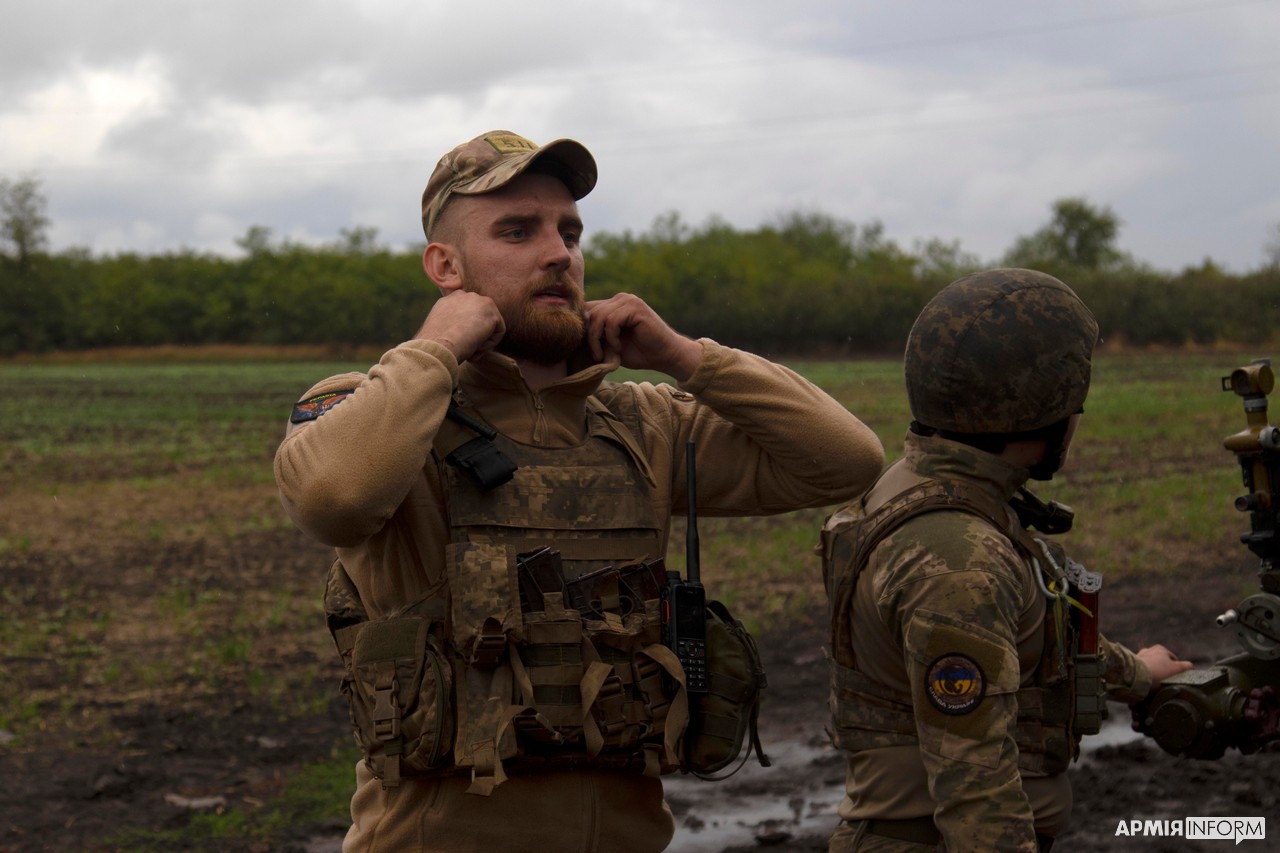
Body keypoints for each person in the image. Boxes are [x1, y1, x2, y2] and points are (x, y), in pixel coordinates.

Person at [273, 130, 886, 853]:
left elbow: (846, 461)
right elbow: (334, 499)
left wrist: (686, 357)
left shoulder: (643, 424)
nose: (558, 254)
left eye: (569, 232)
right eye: (517, 231)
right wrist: (433, 352)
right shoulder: (380, 409)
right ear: (446, 265)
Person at [819, 268, 1194, 852]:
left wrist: (1137, 675)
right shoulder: (957, 560)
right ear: (1045, 405)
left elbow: (1023, 638)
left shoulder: (922, 488)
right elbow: (976, 795)